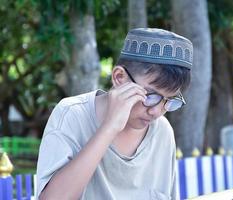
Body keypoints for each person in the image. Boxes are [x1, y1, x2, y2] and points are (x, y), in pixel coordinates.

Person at [36, 28, 193, 200]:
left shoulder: (162, 131)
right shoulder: (72, 115)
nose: (156, 111)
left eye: (168, 101)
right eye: (150, 96)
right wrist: (109, 127)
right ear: (119, 77)